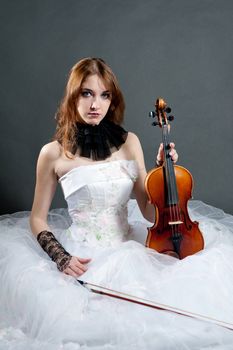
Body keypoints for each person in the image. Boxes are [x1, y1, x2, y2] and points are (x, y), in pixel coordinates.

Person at [0, 57, 233, 350]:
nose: (96, 103)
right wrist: (61, 257)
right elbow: (37, 218)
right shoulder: (53, 153)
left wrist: (164, 176)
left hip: (131, 250)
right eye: (87, 93)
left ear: (113, 99)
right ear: (73, 96)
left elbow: (150, 213)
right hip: (84, 254)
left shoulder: (129, 142)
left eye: (104, 95)